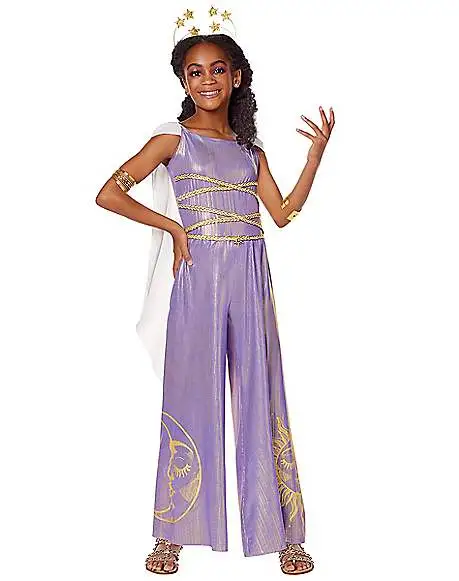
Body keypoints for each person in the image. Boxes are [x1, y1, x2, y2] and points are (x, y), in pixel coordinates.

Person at [96, 28, 334, 576]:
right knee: (190, 399)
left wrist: (315, 157)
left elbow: (282, 214)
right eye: (195, 72)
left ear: (237, 77)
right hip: (196, 280)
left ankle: (283, 533)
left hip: (251, 280)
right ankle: (172, 533)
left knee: (263, 397)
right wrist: (173, 228)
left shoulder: (251, 152)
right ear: (185, 82)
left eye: (218, 69)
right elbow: (109, 192)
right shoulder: (172, 141)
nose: (208, 80)